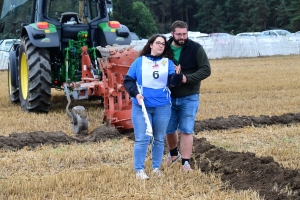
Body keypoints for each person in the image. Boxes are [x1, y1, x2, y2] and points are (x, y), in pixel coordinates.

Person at [124, 34, 183, 180]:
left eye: (163, 44)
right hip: (141, 107)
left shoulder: (167, 63)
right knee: (143, 139)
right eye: (158, 43)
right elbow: (128, 81)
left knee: (158, 139)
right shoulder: (139, 62)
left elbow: (174, 82)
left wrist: (177, 74)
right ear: (151, 45)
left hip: (162, 107)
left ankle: (156, 168)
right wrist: (136, 94)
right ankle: (139, 170)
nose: (161, 46)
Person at [165, 20, 211, 172]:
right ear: (172, 34)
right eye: (179, 34)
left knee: (186, 129)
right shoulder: (163, 48)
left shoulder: (196, 48)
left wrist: (187, 78)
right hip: (168, 97)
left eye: (185, 34)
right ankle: (173, 154)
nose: (182, 37)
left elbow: (206, 70)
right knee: (169, 128)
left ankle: (185, 162)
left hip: (189, 95)